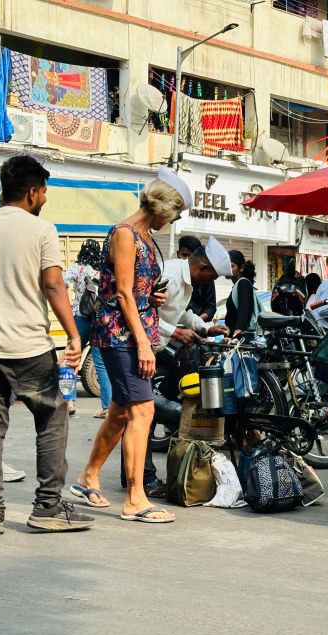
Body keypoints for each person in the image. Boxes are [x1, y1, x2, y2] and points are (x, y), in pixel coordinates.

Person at [0, 154, 93, 535]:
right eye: (43, 191)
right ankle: (46, 507)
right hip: (28, 348)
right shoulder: (41, 230)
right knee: (53, 416)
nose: (45, 198)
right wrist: (73, 334)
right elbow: (53, 285)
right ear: (32, 192)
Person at [73, 167, 189, 524]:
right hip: (119, 334)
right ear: (161, 209)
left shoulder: (145, 237)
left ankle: (87, 478)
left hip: (135, 328)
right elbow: (121, 292)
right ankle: (135, 498)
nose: (173, 221)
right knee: (143, 410)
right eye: (175, 214)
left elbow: (133, 289)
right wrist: (142, 343)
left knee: (122, 410)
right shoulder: (125, 233)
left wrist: (150, 300)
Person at [125, 237, 232, 496]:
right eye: (211, 277)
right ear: (203, 268)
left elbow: (183, 312)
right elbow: (142, 313)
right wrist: (176, 333)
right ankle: (142, 478)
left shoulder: (186, 282)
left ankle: (134, 475)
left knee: (140, 416)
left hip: (154, 349)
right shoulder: (169, 276)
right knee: (141, 415)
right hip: (136, 347)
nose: (210, 283)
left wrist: (205, 327)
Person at [64, 239, 112, 419]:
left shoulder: (77, 268)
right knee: (101, 364)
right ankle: (107, 407)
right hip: (99, 321)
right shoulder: (102, 270)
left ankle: (68, 401)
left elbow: (61, 283)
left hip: (79, 319)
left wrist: (69, 304)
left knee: (70, 359)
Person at [178, 235, 217, 322]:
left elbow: (211, 307)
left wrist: (197, 322)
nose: (187, 260)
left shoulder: (206, 278)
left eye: (191, 257)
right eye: (184, 255)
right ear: (178, 254)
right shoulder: (171, 275)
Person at [226, 250, 259, 336]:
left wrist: (238, 331)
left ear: (241, 268)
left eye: (232, 266)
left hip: (239, 338)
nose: (228, 269)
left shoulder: (243, 283)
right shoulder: (238, 284)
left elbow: (244, 307)